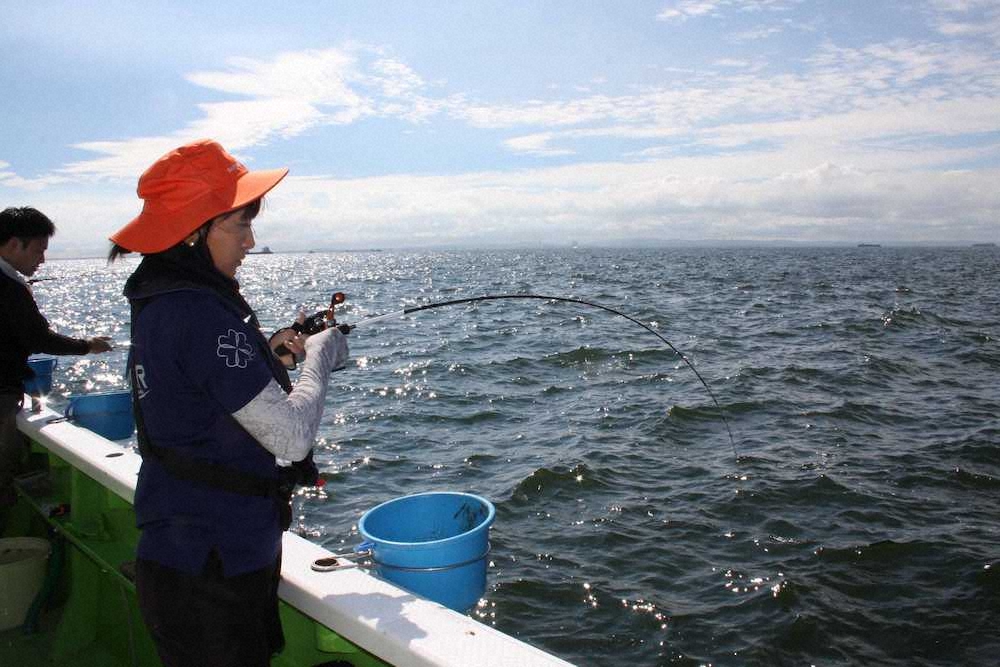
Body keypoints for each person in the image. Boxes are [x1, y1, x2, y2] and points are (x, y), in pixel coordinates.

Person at [108, 139, 348, 667]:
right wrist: (320, 359)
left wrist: (267, 355)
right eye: (239, 224)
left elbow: (193, 387)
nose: (250, 240)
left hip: (188, 554)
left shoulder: (164, 301)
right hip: (209, 570)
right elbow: (289, 436)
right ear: (194, 231)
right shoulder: (198, 312)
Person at [0, 206, 113, 508]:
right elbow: (38, 338)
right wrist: (87, 346)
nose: (42, 260)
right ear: (13, 245)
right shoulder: (9, 287)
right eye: (38, 250)